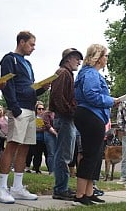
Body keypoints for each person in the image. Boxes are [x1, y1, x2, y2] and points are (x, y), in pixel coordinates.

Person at [0, 31, 47, 204]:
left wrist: (43, 88)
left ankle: (17, 187)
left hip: (30, 109)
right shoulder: (10, 59)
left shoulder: (28, 63)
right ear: (21, 42)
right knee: (12, 145)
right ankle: (1, 188)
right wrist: (13, 106)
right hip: (18, 109)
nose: (33, 48)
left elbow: (30, 87)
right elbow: (6, 83)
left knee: (25, 147)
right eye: (31, 44)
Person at [73, 44, 119, 206]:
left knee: (96, 155)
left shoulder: (87, 73)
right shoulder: (91, 73)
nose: (107, 59)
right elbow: (91, 95)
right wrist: (111, 101)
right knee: (91, 155)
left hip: (91, 115)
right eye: (105, 56)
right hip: (91, 115)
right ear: (98, 58)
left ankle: (89, 192)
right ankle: (80, 195)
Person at [50, 48, 83, 201]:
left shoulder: (66, 73)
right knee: (63, 155)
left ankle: (62, 187)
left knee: (64, 154)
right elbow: (58, 97)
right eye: (77, 58)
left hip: (64, 118)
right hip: (64, 118)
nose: (79, 62)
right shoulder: (63, 73)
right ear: (68, 59)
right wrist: (70, 112)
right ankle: (60, 189)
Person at [25, 102, 47, 174]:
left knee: (39, 155)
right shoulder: (32, 117)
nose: (41, 110)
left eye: (42, 109)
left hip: (42, 139)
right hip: (33, 138)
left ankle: (36, 168)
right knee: (30, 153)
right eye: (39, 109)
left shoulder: (45, 118)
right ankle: (27, 166)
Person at [42, 107, 57, 175]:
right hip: (49, 133)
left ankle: (57, 171)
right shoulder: (46, 113)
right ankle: (52, 171)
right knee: (51, 153)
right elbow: (47, 124)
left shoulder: (59, 113)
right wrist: (54, 132)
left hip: (58, 133)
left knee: (57, 153)